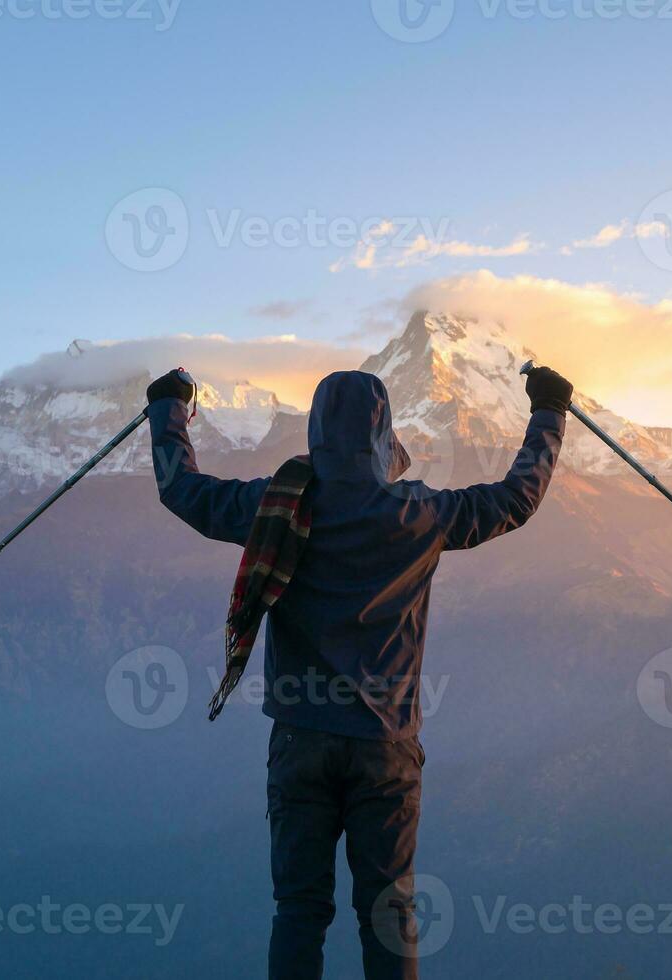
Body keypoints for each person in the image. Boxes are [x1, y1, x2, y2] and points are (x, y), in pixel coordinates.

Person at [145, 365, 572, 979]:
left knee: (298, 910)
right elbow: (515, 499)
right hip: (386, 747)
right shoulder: (421, 515)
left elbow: (182, 491)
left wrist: (169, 407)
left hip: (299, 739)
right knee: (388, 914)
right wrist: (549, 409)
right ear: (384, 438)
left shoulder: (276, 506)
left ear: (315, 433)